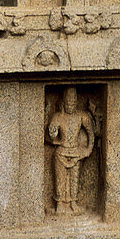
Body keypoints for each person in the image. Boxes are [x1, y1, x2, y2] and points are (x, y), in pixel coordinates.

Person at [47, 87, 95, 216]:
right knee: (60, 179)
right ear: (63, 103)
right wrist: (53, 135)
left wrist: (88, 149)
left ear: (77, 102)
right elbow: (50, 137)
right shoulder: (57, 117)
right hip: (61, 151)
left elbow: (91, 133)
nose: (70, 105)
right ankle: (60, 203)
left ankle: (73, 201)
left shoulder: (82, 117)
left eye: (73, 103)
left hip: (76, 152)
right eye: (68, 103)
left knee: (75, 179)